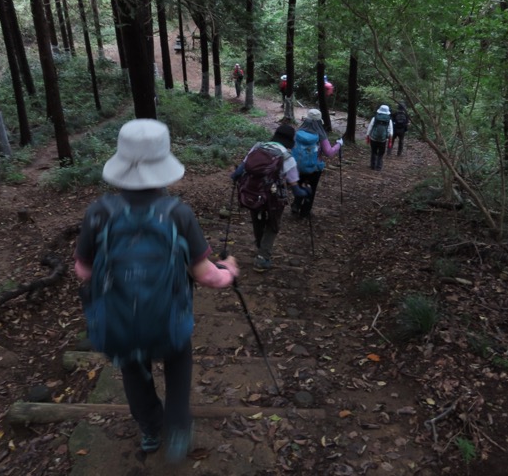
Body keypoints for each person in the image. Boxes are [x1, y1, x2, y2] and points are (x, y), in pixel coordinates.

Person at [74, 119, 239, 462]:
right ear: (164, 165)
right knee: (178, 362)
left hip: (118, 322)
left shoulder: (98, 213)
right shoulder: (177, 214)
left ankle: (150, 429)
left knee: (134, 371)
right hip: (168, 319)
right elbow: (206, 275)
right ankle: (178, 428)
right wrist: (230, 272)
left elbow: (83, 270)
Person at [231, 124, 308, 271]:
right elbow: (296, 189)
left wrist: (235, 178)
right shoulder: (287, 158)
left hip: (252, 193)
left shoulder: (258, 147)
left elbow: (240, 169)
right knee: (273, 225)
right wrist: (306, 193)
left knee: (257, 220)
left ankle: (261, 246)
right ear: (291, 140)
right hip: (274, 198)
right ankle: (263, 257)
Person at [291, 109, 342, 218]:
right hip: (314, 168)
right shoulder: (320, 135)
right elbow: (329, 153)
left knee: (300, 184)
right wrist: (339, 144)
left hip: (297, 166)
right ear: (319, 122)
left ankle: (296, 204)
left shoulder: (298, 132)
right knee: (311, 189)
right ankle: (305, 212)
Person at [366, 105, 393, 171]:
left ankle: (372, 166)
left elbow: (370, 127)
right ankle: (379, 166)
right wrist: (390, 139)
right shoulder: (389, 120)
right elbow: (391, 131)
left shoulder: (374, 118)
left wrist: (367, 135)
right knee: (381, 153)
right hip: (383, 140)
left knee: (373, 152)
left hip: (373, 138)